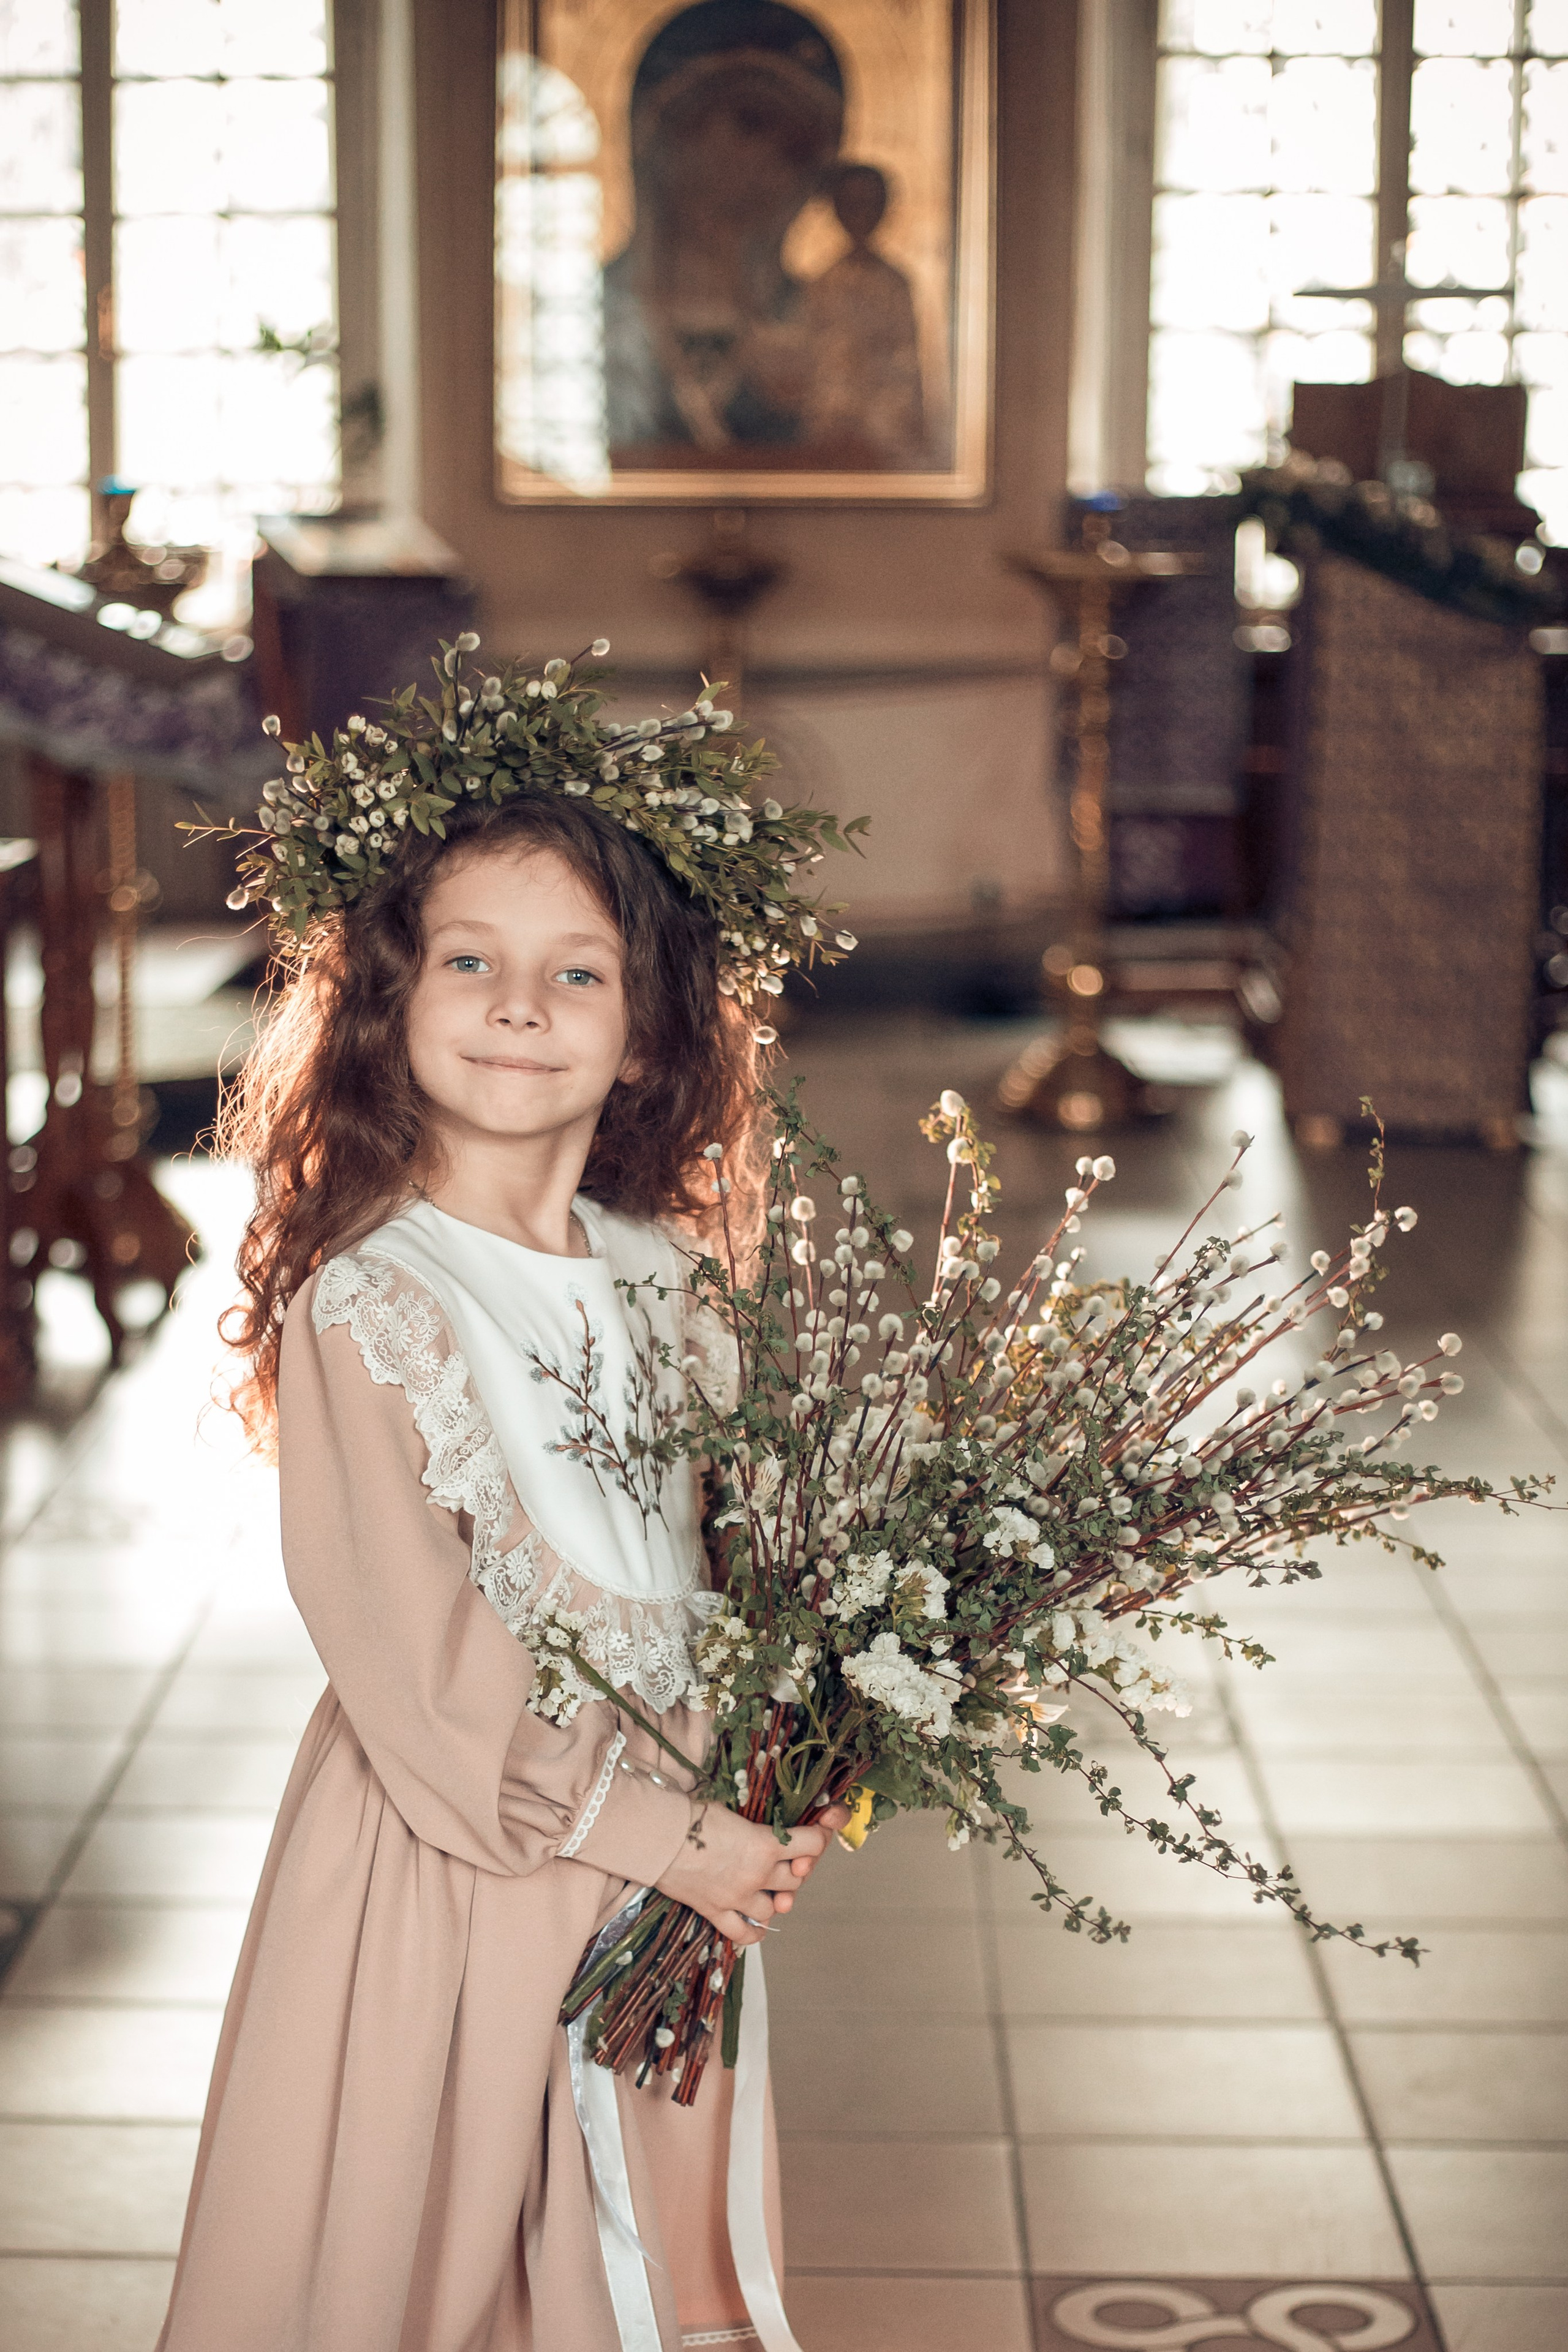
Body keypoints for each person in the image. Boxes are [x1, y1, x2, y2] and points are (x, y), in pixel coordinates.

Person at [156, 654, 851, 2351]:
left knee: (668, 2278)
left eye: (574, 974)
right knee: (447, 2251)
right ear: (389, 1003)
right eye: (469, 963)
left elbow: (745, 1562)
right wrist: (657, 1832)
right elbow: (412, 1652)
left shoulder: (672, 1279)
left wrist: (811, 1759)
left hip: (675, 1848)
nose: (519, 1005)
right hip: (459, 1864)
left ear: (646, 1037)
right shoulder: (373, 1300)